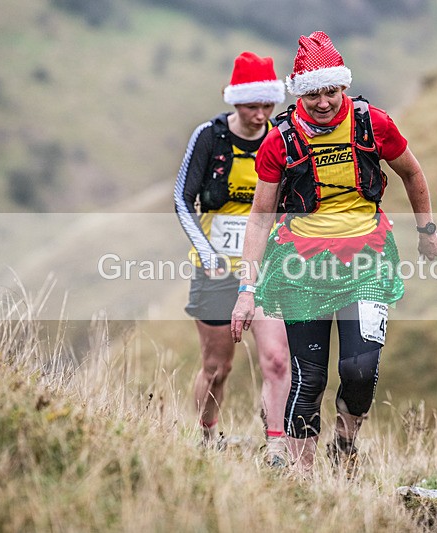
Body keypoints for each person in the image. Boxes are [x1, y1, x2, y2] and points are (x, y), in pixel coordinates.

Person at [230, 32, 437, 474]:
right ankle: (302, 482)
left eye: (331, 91)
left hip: (367, 263)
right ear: (299, 93)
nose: (324, 102)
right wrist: (246, 290)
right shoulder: (280, 141)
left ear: (343, 87)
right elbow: (259, 216)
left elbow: (412, 172)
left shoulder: (373, 124)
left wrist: (427, 231)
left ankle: (345, 442)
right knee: (309, 380)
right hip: (301, 271)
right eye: (312, 94)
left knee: (360, 370)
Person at [174, 51, 291, 466]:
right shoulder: (210, 137)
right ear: (235, 102)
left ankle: (276, 446)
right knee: (217, 367)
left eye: (267, 105)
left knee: (277, 359)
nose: (260, 115)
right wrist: (206, 255)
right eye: (251, 106)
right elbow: (182, 199)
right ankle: (207, 437)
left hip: (267, 268)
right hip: (216, 268)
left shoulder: (281, 136)